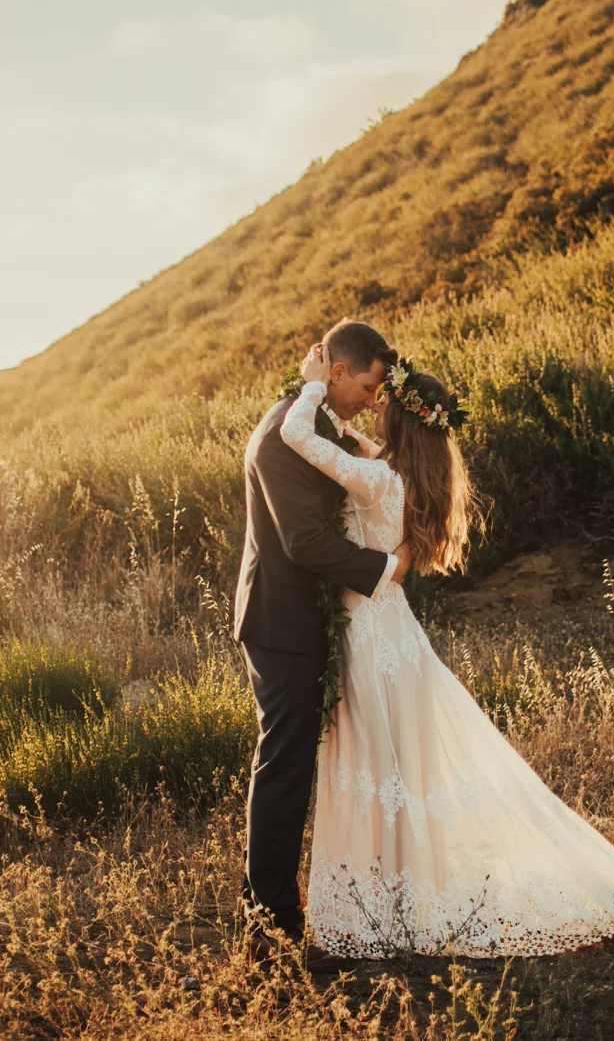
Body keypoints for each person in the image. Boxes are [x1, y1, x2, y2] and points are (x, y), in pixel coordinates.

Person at [280, 340, 614, 957]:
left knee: (375, 768)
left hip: (372, 635)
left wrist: (311, 384)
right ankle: (396, 901)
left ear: (398, 417)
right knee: (394, 770)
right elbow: (357, 456)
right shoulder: (398, 473)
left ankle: (377, 909)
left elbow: (299, 436)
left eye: (384, 401)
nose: (374, 405)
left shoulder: (377, 477)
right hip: (393, 632)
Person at [232, 318, 410, 968]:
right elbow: (305, 543)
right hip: (282, 625)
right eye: (366, 384)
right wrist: (386, 570)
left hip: (306, 620)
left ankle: (284, 910)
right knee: (284, 770)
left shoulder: (317, 426)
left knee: (296, 767)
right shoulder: (285, 437)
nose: (372, 397)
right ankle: (270, 929)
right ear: (334, 372)